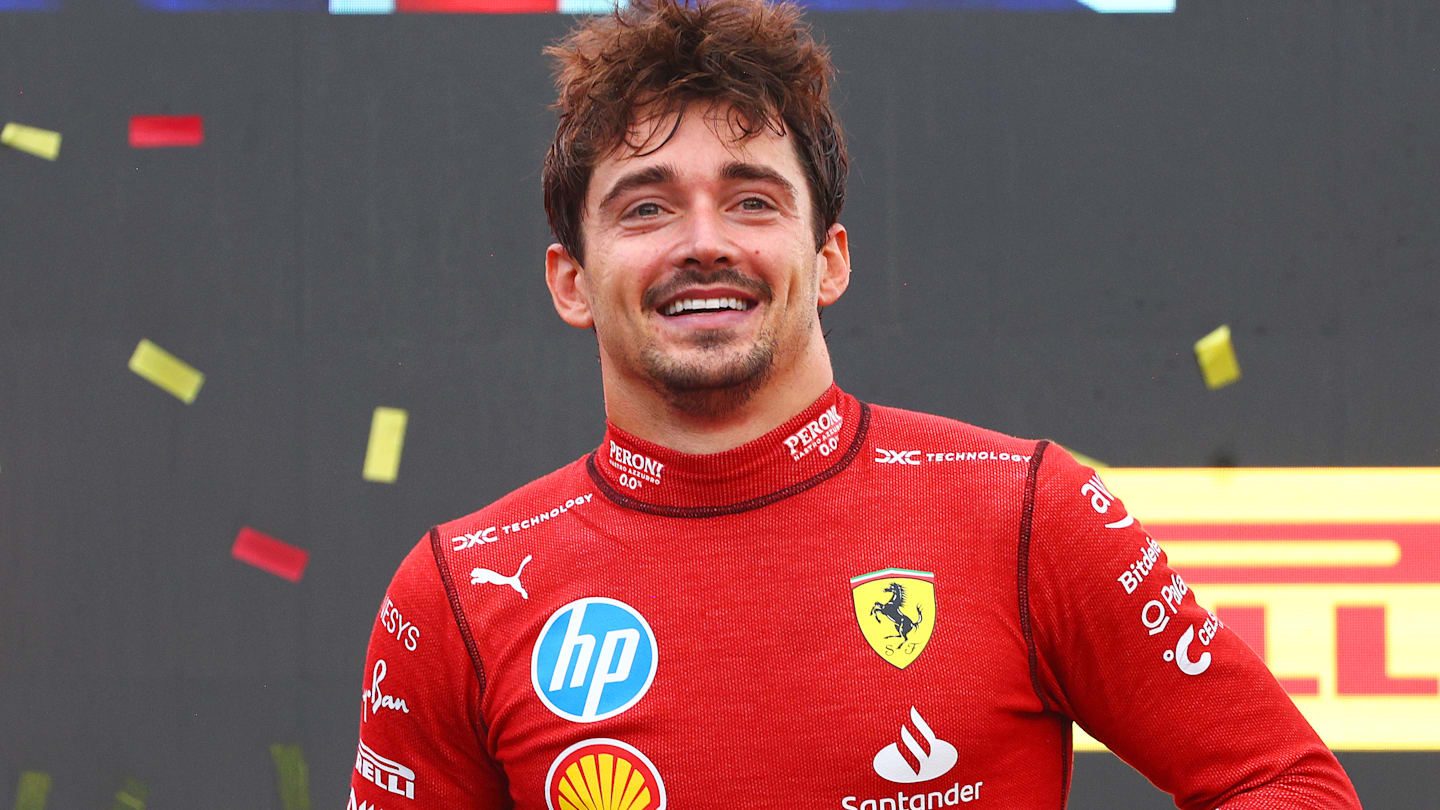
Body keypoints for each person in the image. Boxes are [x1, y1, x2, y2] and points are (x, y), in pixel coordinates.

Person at [350, 0, 1362, 807]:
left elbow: (1287, 786)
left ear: (828, 261)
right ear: (570, 279)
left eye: (753, 199)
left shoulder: (1025, 512)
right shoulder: (458, 593)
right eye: (646, 206)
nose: (705, 241)